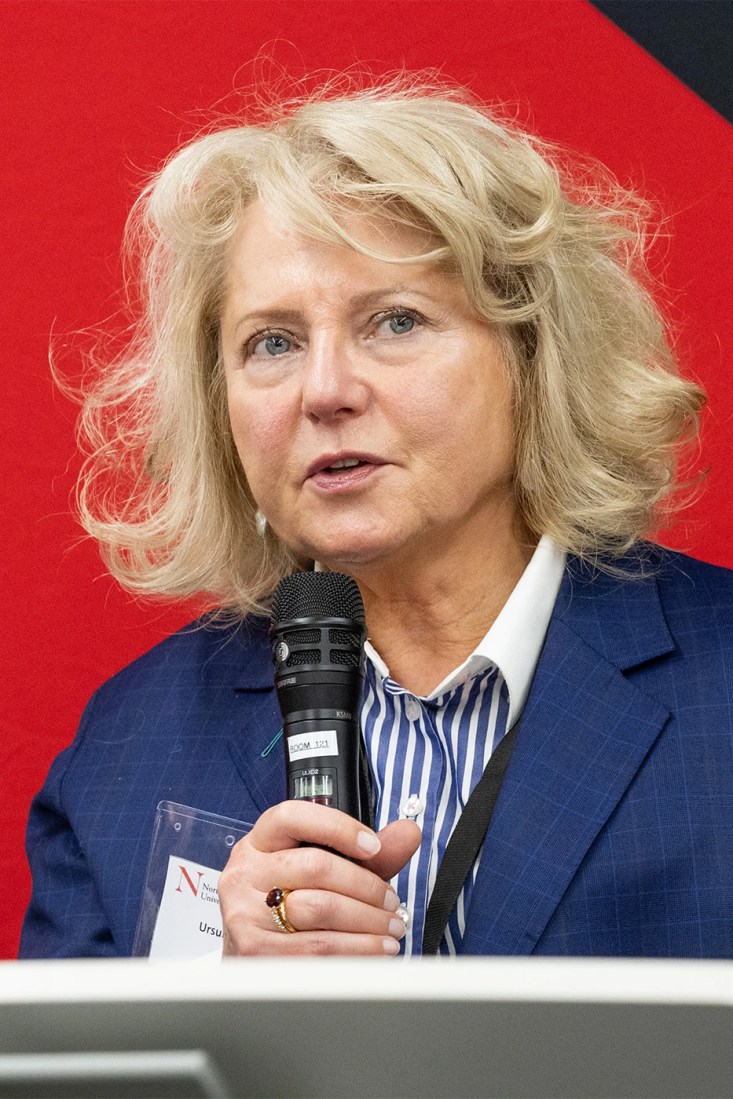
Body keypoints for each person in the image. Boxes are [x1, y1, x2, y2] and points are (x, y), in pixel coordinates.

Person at [20, 77, 733, 961]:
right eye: (271, 342)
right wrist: (220, 994)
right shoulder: (125, 749)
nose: (324, 391)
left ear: (534, 357)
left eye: (395, 321)